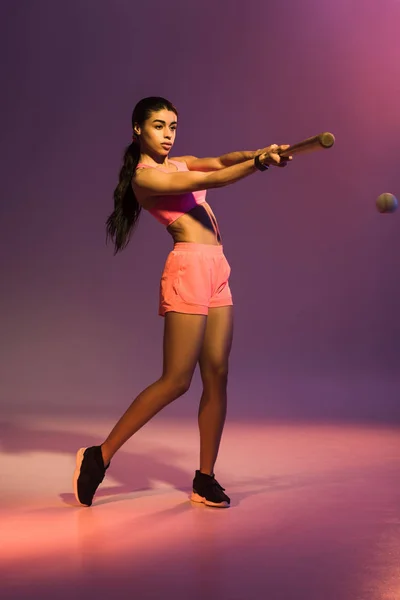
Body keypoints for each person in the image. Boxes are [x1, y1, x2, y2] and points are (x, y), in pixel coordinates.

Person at [73, 96, 291, 508]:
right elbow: (221, 179)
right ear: (138, 128)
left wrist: (261, 153)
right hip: (188, 269)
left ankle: (204, 478)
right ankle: (98, 457)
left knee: (218, 373)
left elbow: (220, 161)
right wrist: (260, 165)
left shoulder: (178, 162)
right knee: (176, 380)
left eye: (173, 126)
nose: (168, 134)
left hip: (217, 267)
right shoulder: (146, 179)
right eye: (158, 126)